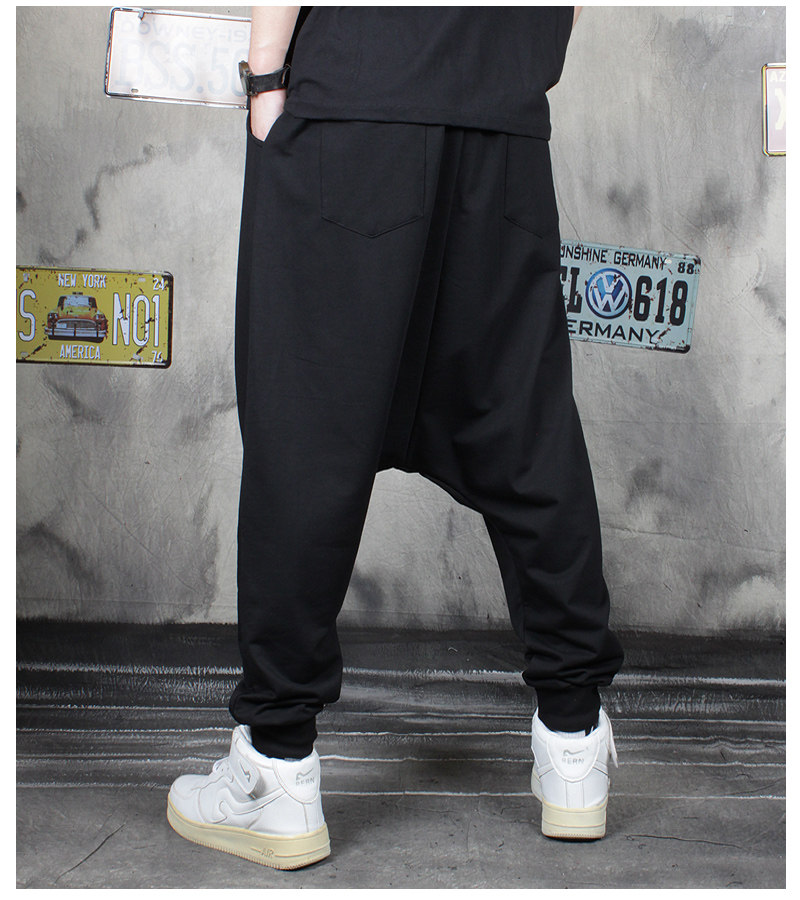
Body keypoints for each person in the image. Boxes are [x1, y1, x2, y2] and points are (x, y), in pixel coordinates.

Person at [166, 6, 625, 869]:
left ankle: (275, 768)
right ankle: (574, 747)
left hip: (356, 96)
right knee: (524, 431)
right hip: (501, 117)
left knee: (306, 436)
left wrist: (265, 79)